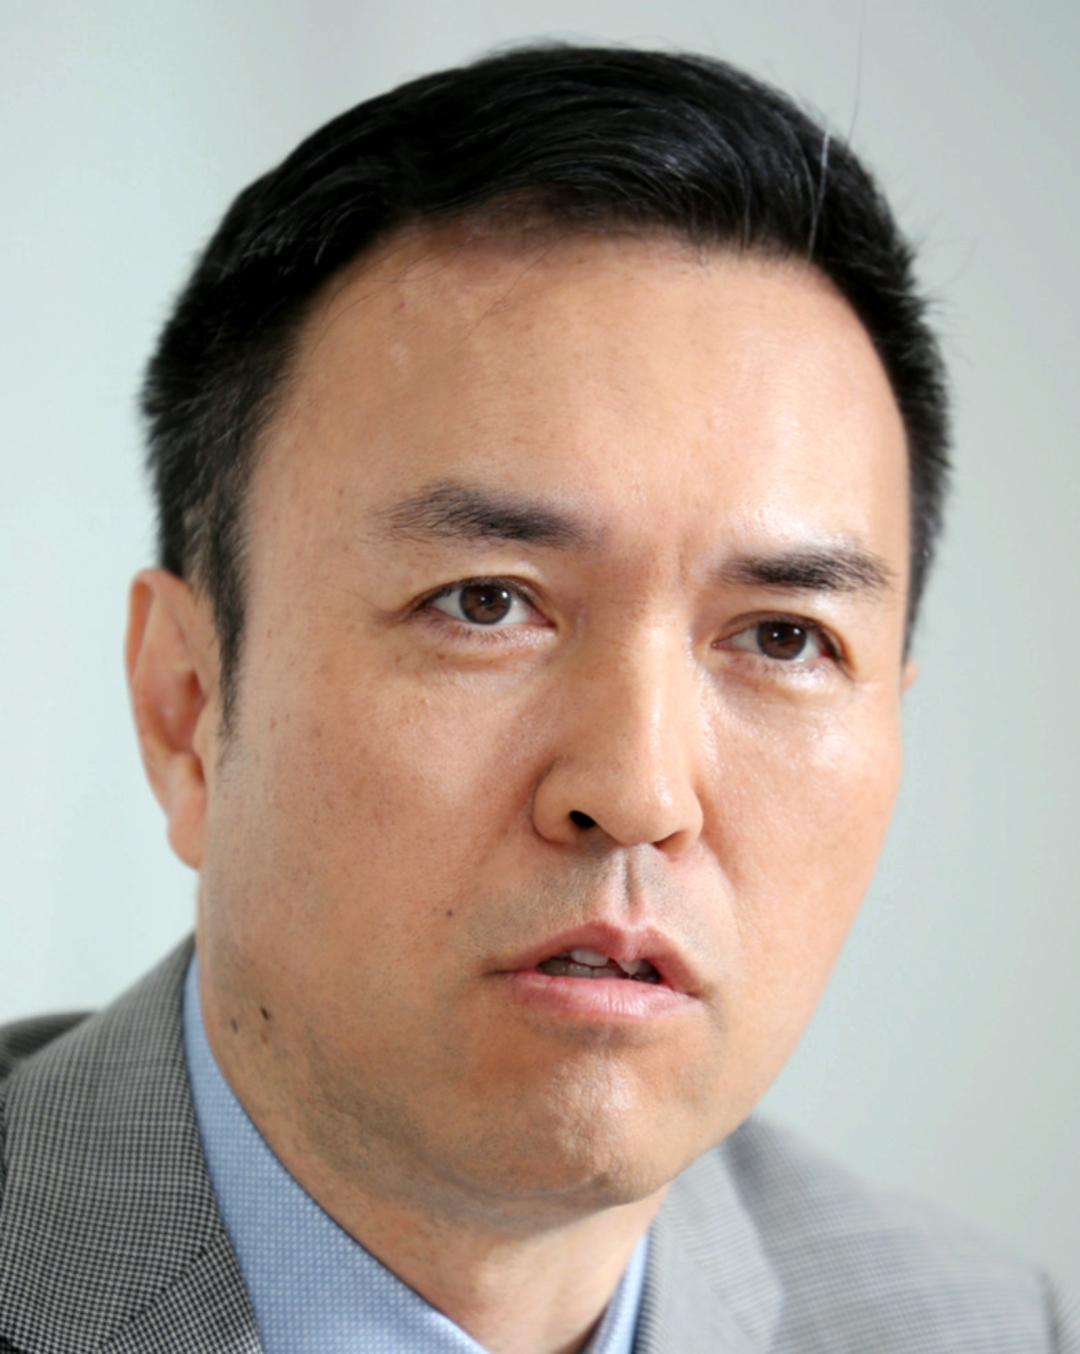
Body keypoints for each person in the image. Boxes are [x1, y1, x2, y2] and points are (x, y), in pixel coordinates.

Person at [0, 43, 1074, 1354]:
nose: (638, 792)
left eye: (784, 636)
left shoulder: (986, 1326)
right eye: (485, 603)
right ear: (186, 708)